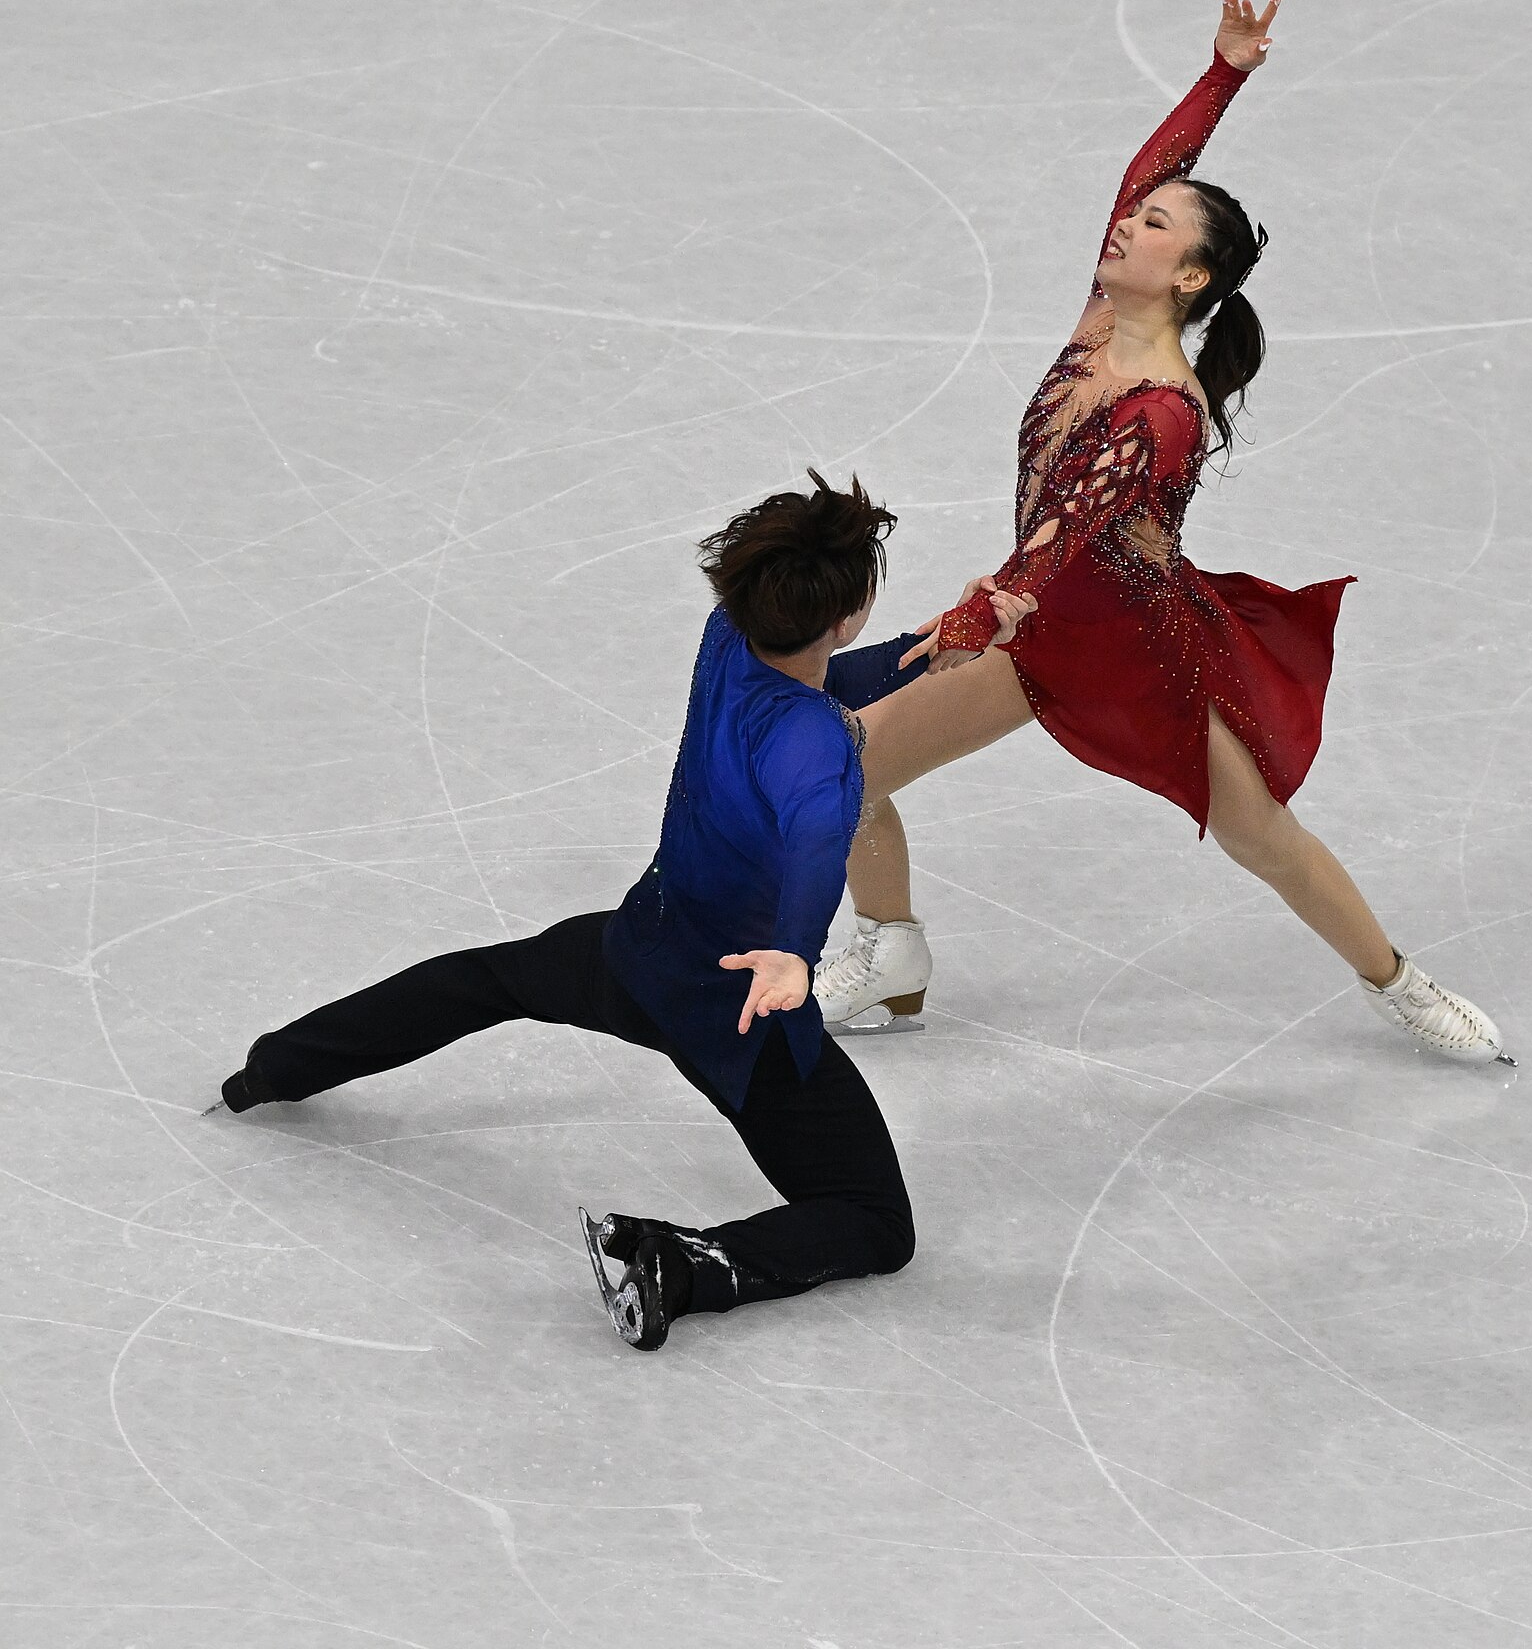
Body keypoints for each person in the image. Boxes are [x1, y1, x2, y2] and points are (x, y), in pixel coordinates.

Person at [815, 0, 1512, 1065]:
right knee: (849, 768)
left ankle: (1401, 984)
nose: (1127, 221)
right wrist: (1225, 71)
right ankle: (891, 946)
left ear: (1190, 277)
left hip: (1142, 656)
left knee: (1261, 838)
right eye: (1135, 215)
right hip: (1044, 637)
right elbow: (1151, 166)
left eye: (1153, 226)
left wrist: (974, 616)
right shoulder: (1102, 321)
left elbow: (1063, 537)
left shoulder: (1165, 407)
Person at [211, 472, 1036, 1350]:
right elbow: (811, 848)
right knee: (876, 1222)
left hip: (636, 951)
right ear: (847, 615)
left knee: (488, 980)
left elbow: (814, 687)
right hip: (738, 1014)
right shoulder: (820, 753)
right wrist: (794, 955)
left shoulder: (727, 637)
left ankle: (275, 1066)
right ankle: (679, 1267)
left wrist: (928, 650)